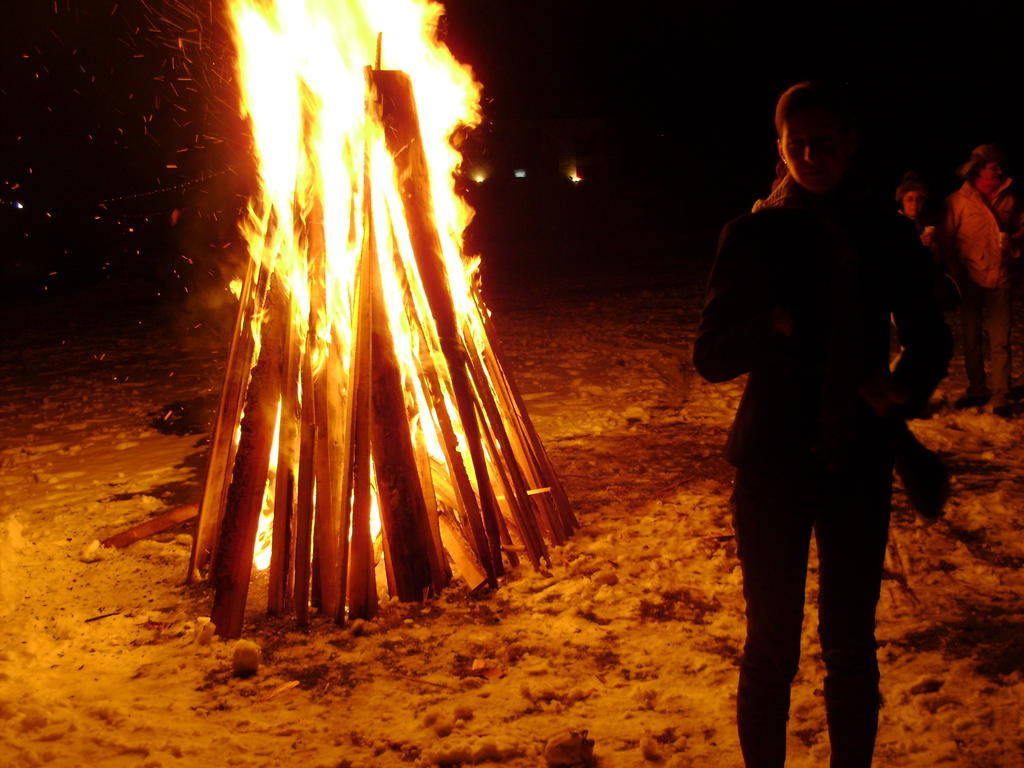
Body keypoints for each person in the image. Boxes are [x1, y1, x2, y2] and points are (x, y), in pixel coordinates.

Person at [694, 82, 952, 767]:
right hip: (774, 465)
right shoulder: (751, 235)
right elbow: (711, 355)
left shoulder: (884, 234)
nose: (812, 155)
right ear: (779, 148)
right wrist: (768, 325)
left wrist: (899, 389)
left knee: (849, 645)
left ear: (851, 144)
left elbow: (932, 337)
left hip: (857, 462)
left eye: (825, 142)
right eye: (797, 143)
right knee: (772, 645)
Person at [941, 144, 1024, 410]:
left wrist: (1014, 243)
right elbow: (946, 239)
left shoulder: (1011, 198)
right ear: (979, 169)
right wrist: (954, 269)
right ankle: (977, 389)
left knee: (1001, 339)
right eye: (994, 166)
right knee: (972, 338)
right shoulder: (958, 200)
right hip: (969, 280)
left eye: (1001, 165)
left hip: (1001, 277)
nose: (1000, 170)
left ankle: (1001, 393)